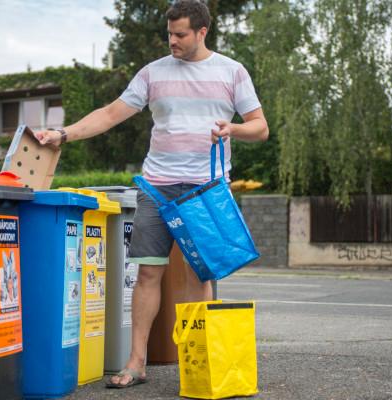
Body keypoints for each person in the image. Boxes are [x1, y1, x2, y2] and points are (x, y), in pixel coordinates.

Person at [34, 0, 268, 389]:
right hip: (157, 187)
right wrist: (63, 134)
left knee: (199, 276)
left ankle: (202, 365)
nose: (172, 41)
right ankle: (136, 362)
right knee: (147, 272)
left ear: (202, 32)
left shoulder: (232, 72)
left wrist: (233, 130)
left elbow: (260, 127)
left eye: (180, 35)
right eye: (169, 34)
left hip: (205, 191)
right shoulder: (153, 73)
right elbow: (110, 113)